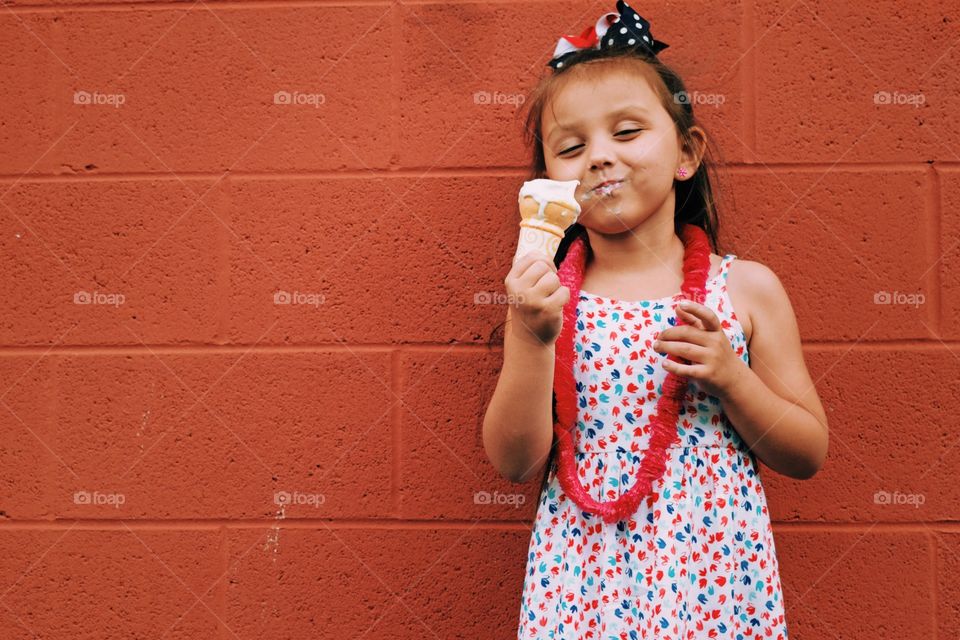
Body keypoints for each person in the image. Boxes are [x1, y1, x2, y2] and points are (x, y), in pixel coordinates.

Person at [481, 2, 829, 637]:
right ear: (549, 184)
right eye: (570, 146)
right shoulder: (545, 300)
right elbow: (514, 461)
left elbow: (807, 452)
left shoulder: (744, 289)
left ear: (685, 153)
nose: (599, 157)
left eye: (628, 131)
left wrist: (732, 378)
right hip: (580, 577)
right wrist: (530, 337)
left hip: (714, 577)